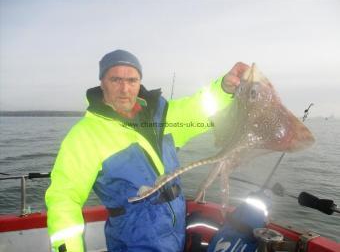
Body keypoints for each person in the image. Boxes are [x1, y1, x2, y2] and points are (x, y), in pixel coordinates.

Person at [45, 49, 249, 252]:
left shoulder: (160, 115)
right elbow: (64, 199)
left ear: (139, 82)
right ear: (102, 82)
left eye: (132, 80)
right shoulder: (85, 136)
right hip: (134, 239)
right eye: (115, 79)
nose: (125, 88)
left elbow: (199, 108)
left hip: (174, 233)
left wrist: (224, 88)